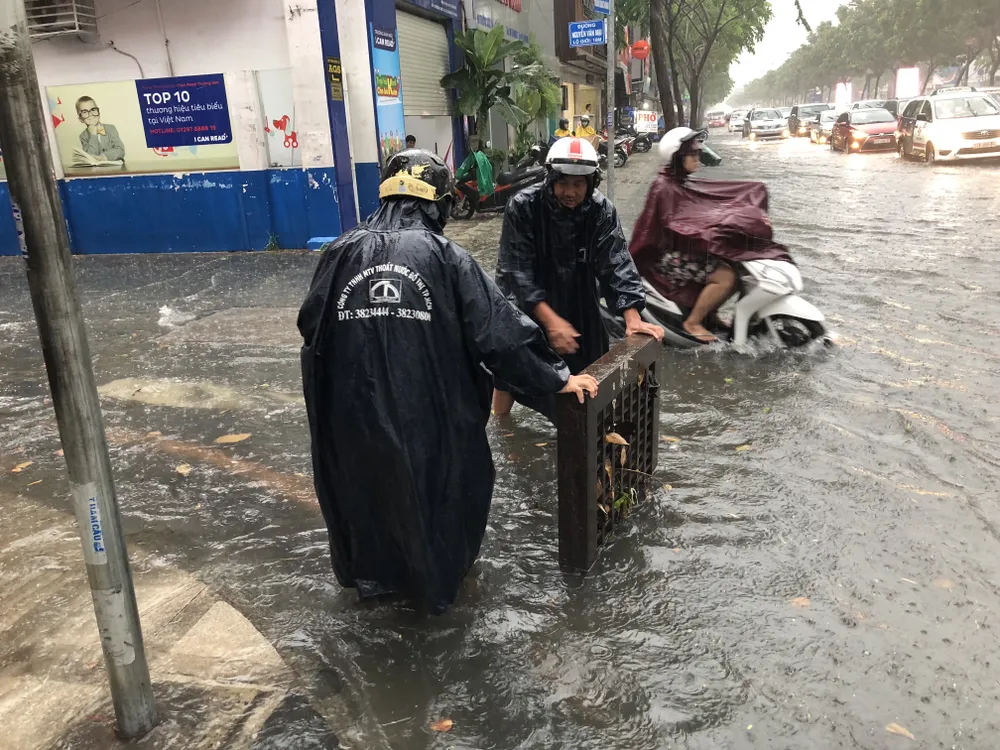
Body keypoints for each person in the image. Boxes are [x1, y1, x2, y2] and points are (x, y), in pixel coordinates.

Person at [298, 149, 598, 615]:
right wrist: (557, 378)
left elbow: (311, 327)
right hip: (429, 420)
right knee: (438, 500)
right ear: (438, 202)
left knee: (364, 497)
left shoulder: (338, 252)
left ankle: (373, 588)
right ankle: (434, 599)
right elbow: (499, 332)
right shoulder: (446, 257)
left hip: (350, 420)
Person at [492, 138, 663, 419]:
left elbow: (616, 260)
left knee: (590, 367)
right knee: (511, 369)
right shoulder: (523, 206)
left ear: (591, 182)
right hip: (523, 299)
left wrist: (632, 318)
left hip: (578, 294)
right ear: (551, 179)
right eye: (563, 183)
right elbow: (516, 270)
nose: (570, 192)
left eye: (578, 184)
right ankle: (503, 429)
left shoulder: (601, 210)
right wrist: (550, 321)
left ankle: (581, 429)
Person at [629, 126, 791, 343]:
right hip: (669, 256)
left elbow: (709, 205)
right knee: (726, 277)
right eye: (692, 154)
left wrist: (739, 214)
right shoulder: (664, 186)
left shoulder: (680, 180)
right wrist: (710, 231)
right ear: (678, 157)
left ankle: (710, 314)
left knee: (737, 267)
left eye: (698, 153)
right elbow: (675, 224)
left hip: (687, 249)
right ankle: (693, 322)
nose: (698, 158)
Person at [76, 96, 125, 162]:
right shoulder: (83, 136)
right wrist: (93, 135)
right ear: (81, 119)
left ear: (99, 113)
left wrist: (104, 157)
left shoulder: (110, 128)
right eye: (84, 112)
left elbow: (120, 150)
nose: (90, 114)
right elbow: (90, 157)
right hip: (97, 170)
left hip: (116, 167)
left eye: (93, 110)